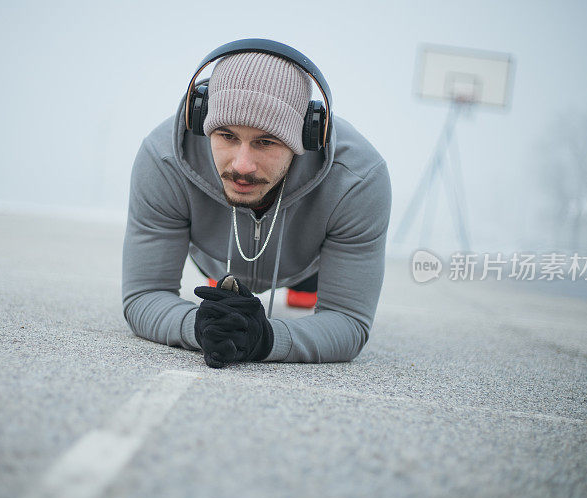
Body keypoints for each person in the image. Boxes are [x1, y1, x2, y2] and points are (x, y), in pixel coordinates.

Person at [121, 39, 391, 367]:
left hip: (306, 260)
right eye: (227, 136)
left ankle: (299, 287)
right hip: (215, 255)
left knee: (309, 293)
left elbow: (348, 322)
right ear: (202, 121)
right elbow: (143, 296)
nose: (242, 165)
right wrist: (202, 327)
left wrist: (263, 338)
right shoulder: (164, 159)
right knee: (225, 291)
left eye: (266, 141)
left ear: (307, 136)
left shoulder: (359, 179)